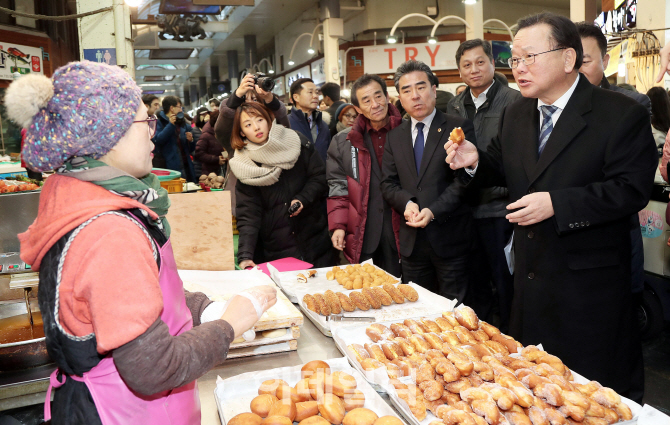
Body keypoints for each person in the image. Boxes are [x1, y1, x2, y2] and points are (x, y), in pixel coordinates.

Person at [5, 61, 277, 424]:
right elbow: (152, 367)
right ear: (105, 136)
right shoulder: (108, 230)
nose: (152, 135)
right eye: (143, 123)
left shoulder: (86, 200)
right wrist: (229, 324)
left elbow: (140, 296)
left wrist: (202, 309)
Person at [445, 12, 657, 398]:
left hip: (589, 285)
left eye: (529, 57)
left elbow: (630, 189)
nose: (519, 68)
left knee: (592, 394)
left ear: (568, 59)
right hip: (530, 277)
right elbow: (500, 166)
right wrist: (473, 160)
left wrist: (558, 204)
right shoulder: (518, 112)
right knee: (537, 389)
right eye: (514, 59)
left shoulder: (619, 114)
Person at [381, 60, 476, 302]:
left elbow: (464, 180)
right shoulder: (395, 137)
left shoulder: (458, 127)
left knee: (456, 312)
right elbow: (389, 183)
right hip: (412, 243)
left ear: (434, 89)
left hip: (450, 238)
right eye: (406, 90)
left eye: (421, 87)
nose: (415, 96)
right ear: (399, 98)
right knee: (417, 309)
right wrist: (408, 203)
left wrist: (432, 211)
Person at [447, 39, 523, 332]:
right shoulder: (454, 105)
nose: (474, 69)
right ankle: (481, 343)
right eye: (466, 65)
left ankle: (512, 342)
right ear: (459, 71)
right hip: (465, 209)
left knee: (505, 283)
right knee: (474, 283)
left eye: (480, 62)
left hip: (498, 208)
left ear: (493, 63)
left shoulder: (514, 101)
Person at [230, 102, 335, 269]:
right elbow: (248, 215)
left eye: (260, 120)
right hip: (278, 249)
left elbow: (319, 176)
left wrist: (303, 199)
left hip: (314, 239)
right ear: (242, 132)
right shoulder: (245, 165)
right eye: (248, 124)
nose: (256, 127)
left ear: (269, 120)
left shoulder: (295, 141)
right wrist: (245, 255)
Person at [327, 74, 403, 277]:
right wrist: (339, 226)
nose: (375, 104)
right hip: (363, 230)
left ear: (387, 97)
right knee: (365, 290)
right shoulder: (343, 141)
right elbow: (338, 187)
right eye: (366, 100)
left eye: (378, 96)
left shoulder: (407, 132)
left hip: (403, 230)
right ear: (358, 109)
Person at [576, 22, 651, 114]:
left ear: (604, 62)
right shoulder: (557, 101)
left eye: (585, 62)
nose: (577, 70)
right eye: (571, 62)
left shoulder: (632, 104)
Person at [288, 78, 331, 162]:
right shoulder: (286, 124)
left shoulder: (323, 126)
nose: (315, 96)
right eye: (310, 92)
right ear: (296, 97)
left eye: (317, 92)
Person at [154, 95, 196, 182]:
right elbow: (158, 140)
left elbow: (191, 149)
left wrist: (191, 140)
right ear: (172, 108)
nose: (181, 110)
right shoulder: (159, 122)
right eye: (179, 107)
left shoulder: (183, 123)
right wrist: (170, 125)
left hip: (186, 166)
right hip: (168, 167)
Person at [195, 110, 226, 177]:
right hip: (210, 174)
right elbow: (199, 153)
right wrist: (216, 159)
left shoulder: (223, 134)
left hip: (224, 171)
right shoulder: (206, 135)